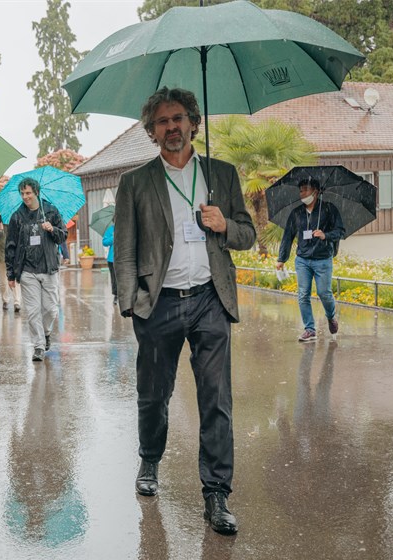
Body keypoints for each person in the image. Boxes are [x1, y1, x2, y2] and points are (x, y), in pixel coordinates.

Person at [114, 87, 256, 535]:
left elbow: (248, 234)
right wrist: (131, 304)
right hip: (158, 304)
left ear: (194, 122)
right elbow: (125, 251)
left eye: (179, 118)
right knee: (154, 394)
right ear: (152, 132)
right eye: (162, 122)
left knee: (216, 398)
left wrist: (224, 224)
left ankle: (216, 494)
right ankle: (149, 459)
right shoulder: (135, 183)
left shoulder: (221, 175)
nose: (172, 127)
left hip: (211, 298)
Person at [275, 177, 345, 343]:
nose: (302, 194)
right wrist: (281, 259)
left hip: (323, 259)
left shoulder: (329, 209)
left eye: (305, 190)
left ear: (315, 191)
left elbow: (341, 231)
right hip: (303, 260)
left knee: (324, 293)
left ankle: (331, 317)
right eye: (300, 191)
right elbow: (287, 237)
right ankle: (309, 329)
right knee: (303, 294)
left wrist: (325, 235)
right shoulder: (296, 213)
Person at [4, 178, 67, 362]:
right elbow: (10, 246)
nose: (25, 197)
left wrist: (52, 229)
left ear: (36, 192)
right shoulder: (17, 216)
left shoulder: (50, 211)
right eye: (22, 194)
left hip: (49, 268)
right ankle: (38, 346)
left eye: (28, 193)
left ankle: (46, 332)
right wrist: (10, 273)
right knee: (32, 311)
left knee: (50, 309)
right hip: (27, 270)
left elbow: (63, 235)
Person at [0, 215, 21, 313]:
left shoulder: (14, 219)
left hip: (13, 255)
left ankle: (17, 302)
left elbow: (18, 235)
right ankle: (5, 300)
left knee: (15, 280)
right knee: (3, 281)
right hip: (0, 256)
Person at [102, 220, 117, 306]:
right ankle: (116, 295)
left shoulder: (125, 229)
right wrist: (113, 237)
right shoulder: (110, 230)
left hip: (124, 258)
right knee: (114, 279)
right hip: (112, 259)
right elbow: (104, 242)